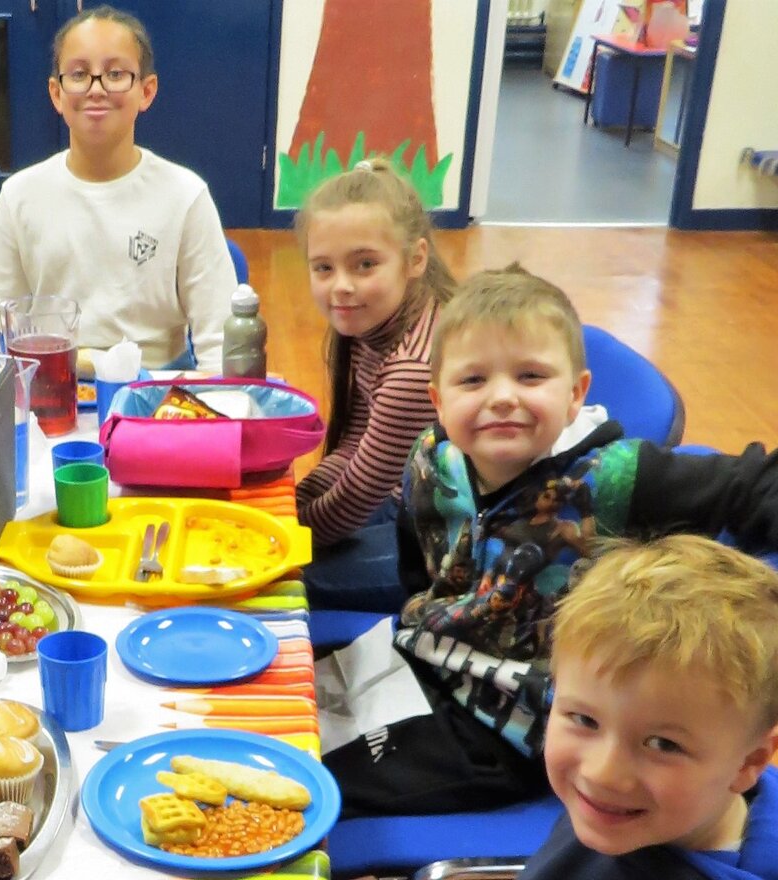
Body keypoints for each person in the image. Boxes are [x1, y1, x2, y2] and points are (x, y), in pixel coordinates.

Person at [324, 264, 778, 818]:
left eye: (531, 377)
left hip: (517, 724)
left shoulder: (613, 477)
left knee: (311, 781)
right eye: (473, 381)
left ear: (574, 394)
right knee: (282, 705)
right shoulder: (431, 457)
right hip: (425, 659)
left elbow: (752, 487)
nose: (502, 398)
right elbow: (418, 567)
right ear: (438, 400)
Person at [0, 5, 237, 373]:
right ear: (56, 94)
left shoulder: (185, 195)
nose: (96, 89)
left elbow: (223, 348)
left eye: (116, 74)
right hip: (50, 391)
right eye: (79, 74)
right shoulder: (20, 196)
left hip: (156, 393)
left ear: (147, 91)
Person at [521, 535, 778, 880]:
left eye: (663, 744)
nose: (602, 773)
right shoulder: (626, 815)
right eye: (584, 719)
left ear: (749, 761)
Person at [294, 159, 458, 612]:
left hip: (447, 547)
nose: (341, 286)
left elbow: (352, 504)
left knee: (278, 583)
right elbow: (352, 445)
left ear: (416, 258)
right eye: (323, 268)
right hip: (404, 507)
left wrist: (276, 532)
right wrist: (293, 503)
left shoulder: (411, 369)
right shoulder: (373, 324)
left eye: (364, 264)